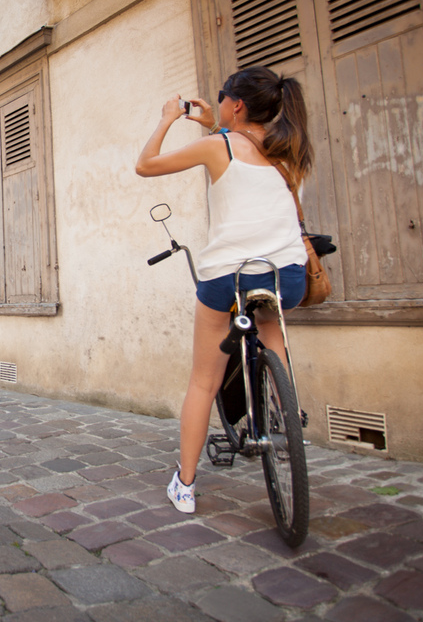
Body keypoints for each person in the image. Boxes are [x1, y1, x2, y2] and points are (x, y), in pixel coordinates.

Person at [135, 65, 313, 514]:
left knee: (203, 379)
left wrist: (169, 117)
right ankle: (285, 414)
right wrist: (215, 120)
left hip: (229, 278)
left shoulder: (219, 146)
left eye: (224, 99)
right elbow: (247, 162)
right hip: (286, 277)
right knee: (271, 328)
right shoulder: (288, 152)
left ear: (237, 104)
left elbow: (146, 164)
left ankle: (186, 485)